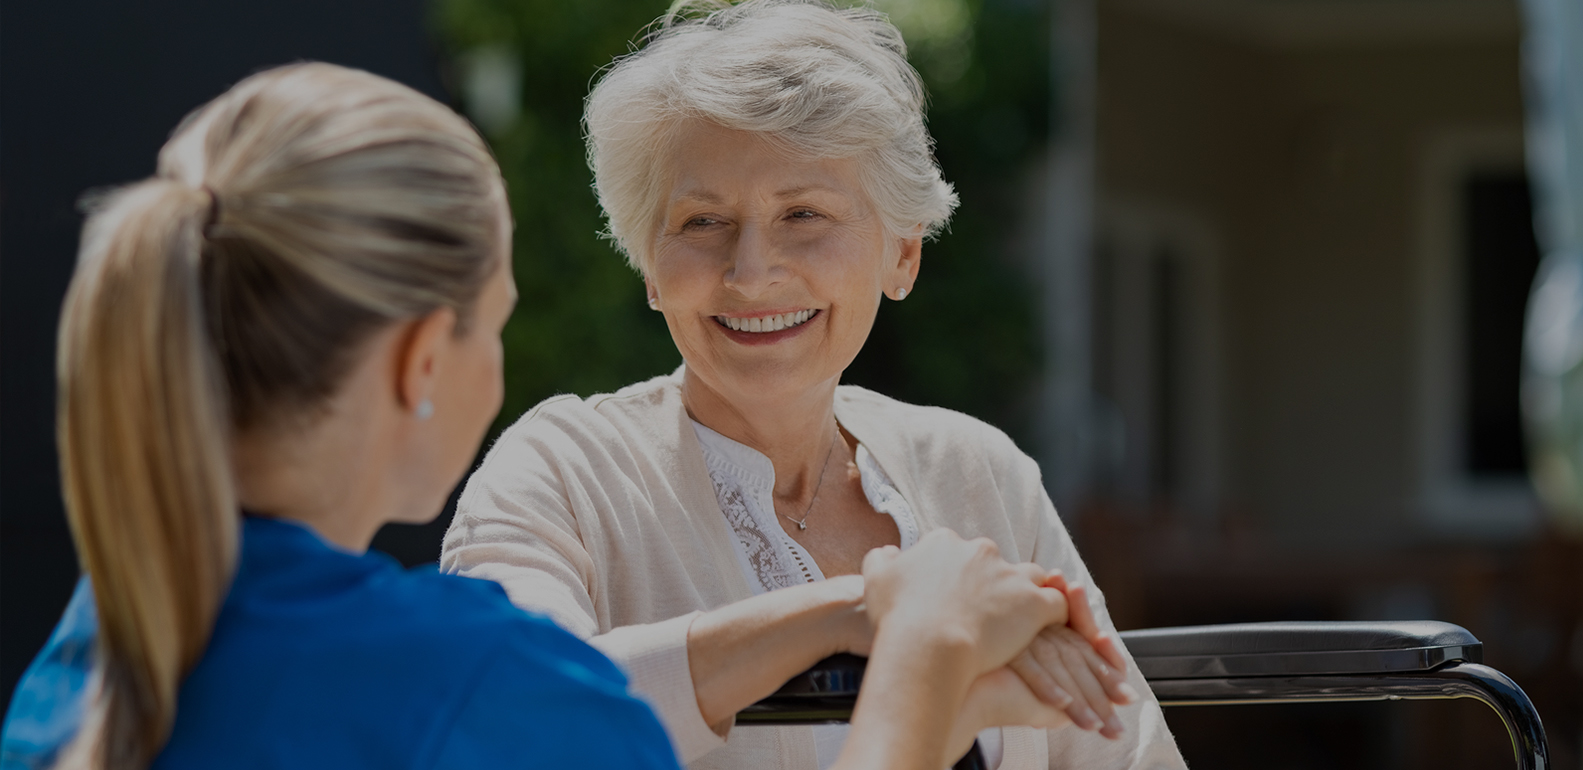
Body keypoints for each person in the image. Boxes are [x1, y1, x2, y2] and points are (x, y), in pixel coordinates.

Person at [0, 62, 1072, 770]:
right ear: (426, 355)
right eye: (496, 324)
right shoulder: (478, 685)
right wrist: (924, 662)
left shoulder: (100, 644)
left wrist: (842, 616)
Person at [439, 2, 1187, 769]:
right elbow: (507, 718)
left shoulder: (977, 470)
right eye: (701, 222)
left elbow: (1126, 752)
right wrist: (868, 613)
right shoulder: (561, 471)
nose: (750, 271)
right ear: (648, 267)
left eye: (803, 213)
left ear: (902, 255)